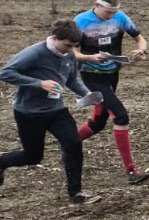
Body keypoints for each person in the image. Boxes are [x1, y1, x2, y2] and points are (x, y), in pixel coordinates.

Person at [0, 19, 99, 204]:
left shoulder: (69, 55)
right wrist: (39, 83)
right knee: (33, 156)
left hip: (56, 110)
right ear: (54, 38)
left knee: (73, 144)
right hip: (29, 113)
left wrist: (88, 94)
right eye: (67, 45)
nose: (70, 50)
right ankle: (2, 161)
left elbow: (70, 80)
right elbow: (5, 73)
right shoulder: (35, 53)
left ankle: (76, 193)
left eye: (74, 46)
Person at [73, 0, 149, 184]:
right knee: (121, 115)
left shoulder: (120, 17)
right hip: (91, 77)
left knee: (98, 122)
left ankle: (69, 142)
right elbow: (71, 51)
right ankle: (132, 171)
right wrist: (89, 57)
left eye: (114, 12)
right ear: (96, 5)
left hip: (112, 74)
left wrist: (141, 50)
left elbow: (140, 37)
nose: (111, 16)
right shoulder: (81, 21)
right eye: (108, 13)